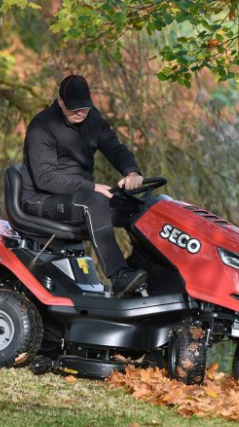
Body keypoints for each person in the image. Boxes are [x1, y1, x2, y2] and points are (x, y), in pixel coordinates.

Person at [20, 75, 148, 298]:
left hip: (81, 194)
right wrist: (91, 188)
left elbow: (114, 147)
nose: (80, 112)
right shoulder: (42, 126)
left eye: (85, 107)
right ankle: (120, 276)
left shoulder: (93, 119)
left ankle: (146, 273)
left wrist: (132, 171)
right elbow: (45, 179)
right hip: (42, 198)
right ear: (60, 101)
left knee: (137, 205)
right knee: (94, 202)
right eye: (74, 108)